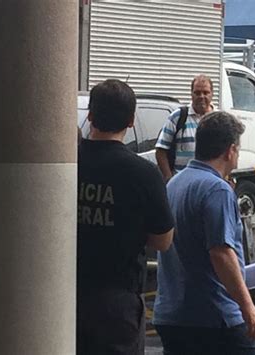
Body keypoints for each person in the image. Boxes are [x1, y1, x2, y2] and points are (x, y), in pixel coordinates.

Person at [153, 111, 255, 355]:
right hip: (214, 317)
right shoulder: (217, 190)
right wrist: (248, 308)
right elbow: (221, 254)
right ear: (230, 150)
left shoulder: (175, 184)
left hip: (172, 314)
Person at [77, 79, 174, 355]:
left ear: (91, 115)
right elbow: (163, 241)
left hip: (64, 291)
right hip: (117, 301)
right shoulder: (143, 173)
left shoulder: (69, 162)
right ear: (131, 121)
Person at [155, 74, 214, 181]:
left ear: (212, 94)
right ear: (191, 94)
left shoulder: (219, 119)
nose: (201, 96)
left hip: (210, 184)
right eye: (197, 93)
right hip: (182, 185)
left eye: (205, 92)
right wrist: (169, 179)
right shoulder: (178, 117)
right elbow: (160, 150)